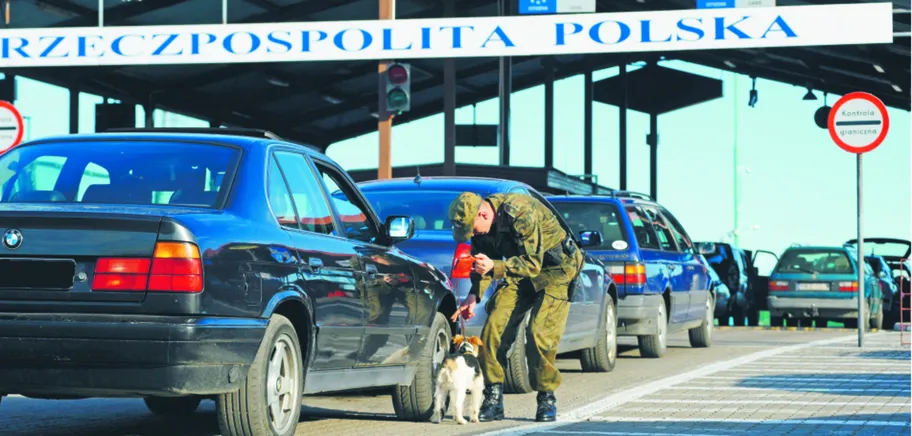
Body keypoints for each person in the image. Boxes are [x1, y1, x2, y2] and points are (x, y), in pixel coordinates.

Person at [447, 191, 583, 423]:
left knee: (539, 334)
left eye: (473, 228)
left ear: (482, 213)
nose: (474, 234)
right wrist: (473, 295)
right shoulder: (481, 226)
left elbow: (532, 263)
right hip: (517, 272)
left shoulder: (519, 210)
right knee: (493, 331)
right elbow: (484, 263)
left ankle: (546, 396)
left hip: (556, 271)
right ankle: (493, 397)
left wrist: (495, 266)